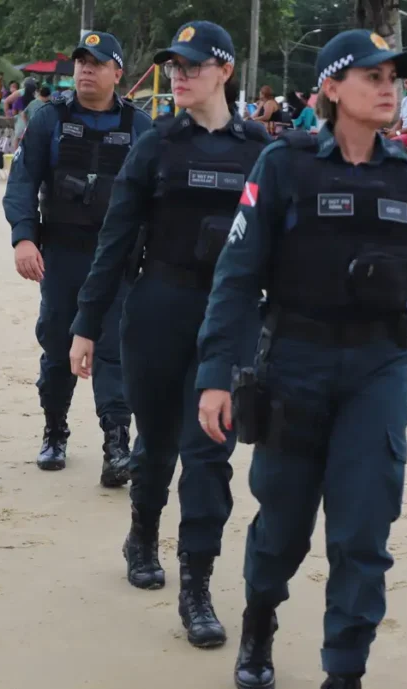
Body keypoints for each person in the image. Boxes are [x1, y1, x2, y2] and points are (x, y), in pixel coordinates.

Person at [195, 30, 407, 689]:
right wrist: (217, 373)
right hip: (294, 364)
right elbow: (238, 276)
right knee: (280, 521)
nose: (390, 89)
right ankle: (259, 623)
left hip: (378, 369)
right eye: (372, 76)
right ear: (331, 88)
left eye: (396, 79)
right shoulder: (281, 167)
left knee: (363, 535)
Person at [68, 21, 270, 646]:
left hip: (231, 319)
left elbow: (282, 245)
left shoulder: (260, 149)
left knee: (209, 452)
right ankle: (141, 533)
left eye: (191, 65)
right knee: (157, 445)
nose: (178, 75)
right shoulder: (154, 145)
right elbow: (114, 241)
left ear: (225, 71)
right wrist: (85, 325)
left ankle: (196, 585)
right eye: (172, 66)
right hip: (158, 307)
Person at [3, 31, 152, 483]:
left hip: (118, 259)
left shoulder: (140, 127)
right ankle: (55, 430)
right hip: (62, 255)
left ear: (117, 73)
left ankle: (116, 444)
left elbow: (160, 194)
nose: (85, 69)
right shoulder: (49, 119)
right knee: (56, 343)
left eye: (97, 62)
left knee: (114, 349)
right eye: (81, 61)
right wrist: (24, 238)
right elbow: (23, 181)